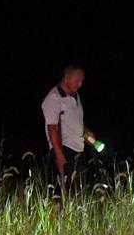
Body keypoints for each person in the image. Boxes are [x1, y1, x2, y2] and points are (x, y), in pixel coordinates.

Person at [41, 63, 98, 192]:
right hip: (64, 149)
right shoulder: (54, 98)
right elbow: (52, 128)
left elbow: (76, 121)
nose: (80, 84)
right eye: (78, 80)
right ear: (67, 77)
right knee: (66, 190)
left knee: (80, 189)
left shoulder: (75, 96)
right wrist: (59, 154)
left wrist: (86, 132)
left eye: (82, 81)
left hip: (79, 148)